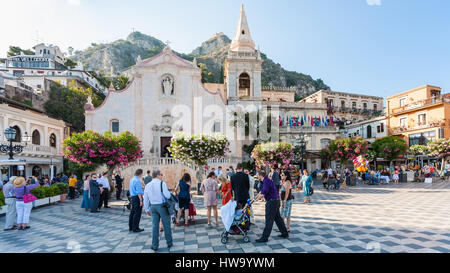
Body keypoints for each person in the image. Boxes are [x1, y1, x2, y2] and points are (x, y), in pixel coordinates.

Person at [254, 170, 289, 243]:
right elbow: (261, 191)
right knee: (278, 219)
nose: (257, 176)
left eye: (258, 175)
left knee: (269, 220)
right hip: (276, 201)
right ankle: (285, 233)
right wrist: (255, 197)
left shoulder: (266, 181)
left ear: (260, 175)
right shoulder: (266, 180)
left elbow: (263, 193)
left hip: (272, 202)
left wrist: (255, 200)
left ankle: (264, 237)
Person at [143, 169, 173, 251]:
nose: (162, 176)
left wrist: (146, 209)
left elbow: (145, 198)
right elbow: (167, 195)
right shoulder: (162, 183)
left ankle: (155, 245)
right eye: (161, 174)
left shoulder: (148, 185)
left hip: (152, 206)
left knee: (154, 226)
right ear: (158, 175)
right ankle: (169, 242)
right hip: (162, 206)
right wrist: (170, 195)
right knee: (166, 225)